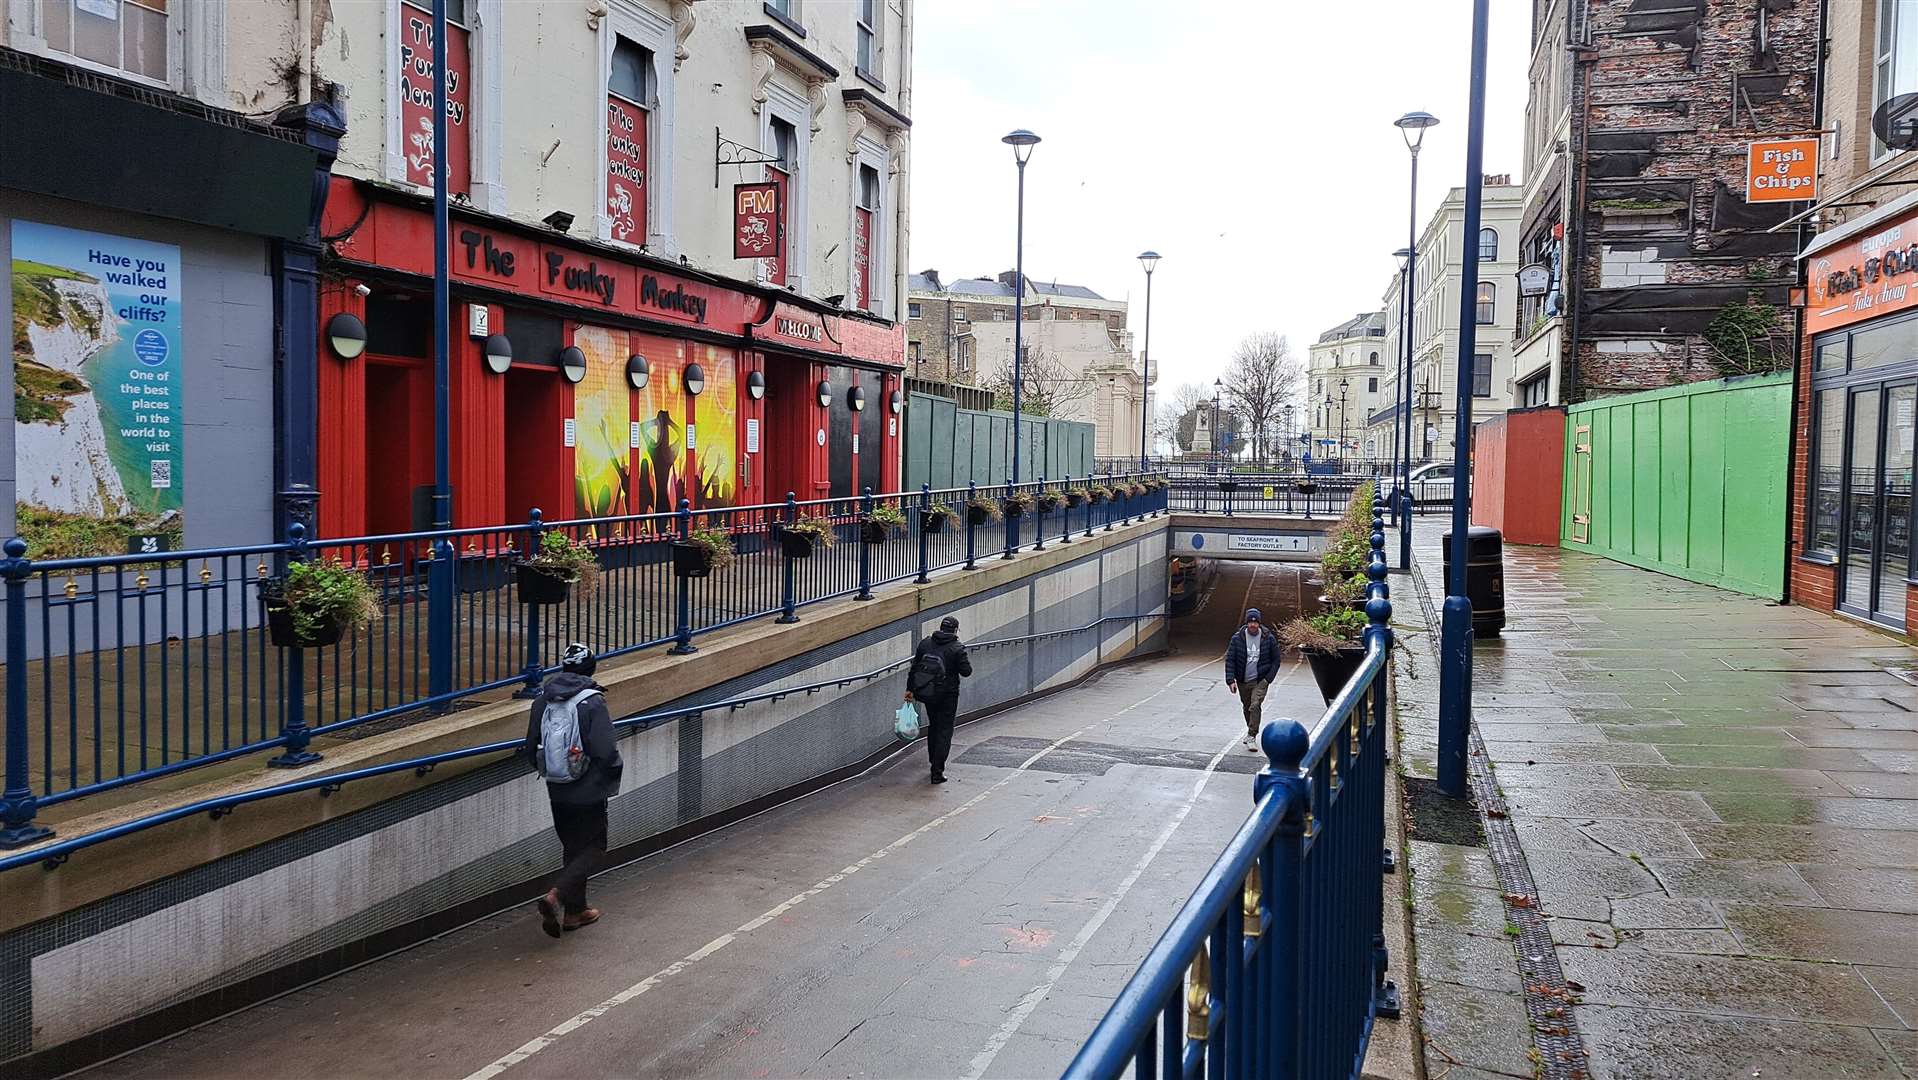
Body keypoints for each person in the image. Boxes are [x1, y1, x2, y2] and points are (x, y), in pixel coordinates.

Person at [525, 642, 622, 938]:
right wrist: (610, 775)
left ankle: (575, 913)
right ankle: (556, 895)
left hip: (557, 787)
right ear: (590, 669)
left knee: (572, 847)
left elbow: (531, 746)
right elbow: (605, 751)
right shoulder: (592, 702)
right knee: (595, 847)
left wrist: (552, 772)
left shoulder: (543, 701)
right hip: (588, 788)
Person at [905, 615, 972, 784]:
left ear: (941, 627)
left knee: (933, 726)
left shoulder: (925, 643)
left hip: (928, 693)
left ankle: (932, 759)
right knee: (944, 730)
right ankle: (937, 770)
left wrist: (909, 690)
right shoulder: (957, 648)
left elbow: (914, 669)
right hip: (948, 696)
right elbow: (966, 671)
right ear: (955, 630)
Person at [1224, 608, 1279, 751]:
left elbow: (1276, 660)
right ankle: (1251, 730)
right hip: (1243, 680)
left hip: (1260, 679)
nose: (1253, 625)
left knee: (1255, 705)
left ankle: (1252, 735)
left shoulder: (1268, 638)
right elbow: (1230, 660)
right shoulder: (1237, 639)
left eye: (1255, 622)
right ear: (1247, 623)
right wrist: (1231, 680)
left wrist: (1268, 679)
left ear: (1259, 623)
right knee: (1247, 707)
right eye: (1250, 622)